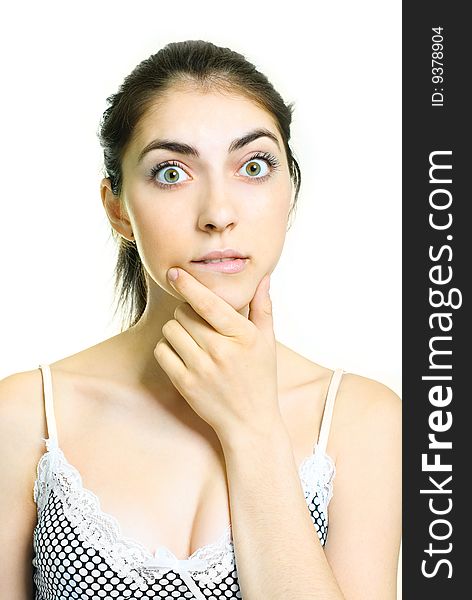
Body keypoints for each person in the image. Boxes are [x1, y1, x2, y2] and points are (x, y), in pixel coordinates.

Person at [0, 40, 401, 600]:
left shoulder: (360, 419)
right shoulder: (28, 415)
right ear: (117, 208)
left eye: (254, 166)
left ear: (290, 191)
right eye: (171, 173)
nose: (218, 214)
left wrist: (254, 430)